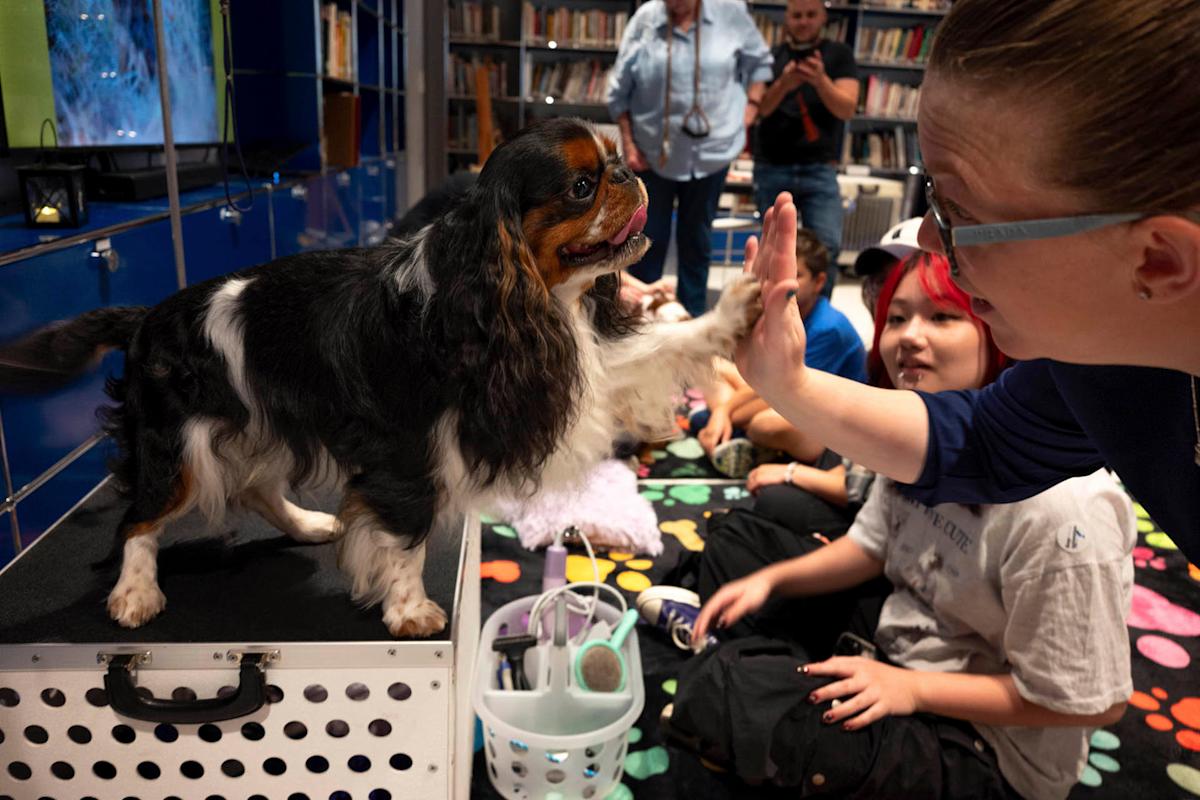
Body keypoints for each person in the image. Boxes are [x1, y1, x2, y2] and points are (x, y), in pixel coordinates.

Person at [734, 0, 1200, 566]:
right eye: (932, 199)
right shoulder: (1101, 359)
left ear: (1158, 262)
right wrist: (791, 385)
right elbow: (983, 441)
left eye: (961, 215)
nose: (929, 238)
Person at [656, 252, 1135, 799]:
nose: (908, 337)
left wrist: (911, 689)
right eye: (898, 317)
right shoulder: (918, 434)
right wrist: (772, 580)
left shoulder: (1065, 510)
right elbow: (873, 544)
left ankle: (751, 670)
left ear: (1002, 333)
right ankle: (757, 665)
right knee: (738, 545)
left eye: (943, 317)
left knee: (740, 693)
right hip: (902, 642)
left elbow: (1095, 701)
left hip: (983, 747)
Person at [606, 0, 773, 318]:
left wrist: (747, 114)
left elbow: (760, 66)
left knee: (697, 240)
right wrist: (628, 143)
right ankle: (639, 318)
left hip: (710, 157)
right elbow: (618, 91)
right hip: (652, 158)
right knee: (644, 242)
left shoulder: (730, 12)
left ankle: (692, 321)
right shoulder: (646, 18)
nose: (675, 4)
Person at [692, 229, 865, 477]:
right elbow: (761, 379)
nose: (783, 282)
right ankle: (731, 433)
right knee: (710, 366)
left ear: (819, 282)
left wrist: (723, 410)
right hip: (781, 395)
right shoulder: (777, 308)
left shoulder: (829, 328)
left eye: (796, 275)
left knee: (765, 424)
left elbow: (782, 391)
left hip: (829, 422)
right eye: (777, 274)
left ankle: (724, 427)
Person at [750, 0, 859, 297]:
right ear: (787, 17)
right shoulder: (770, 57)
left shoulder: (839, 55)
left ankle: (817, 318)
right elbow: (759, 109)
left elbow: (847, 108)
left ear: (823, 17)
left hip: (819, 167)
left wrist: (820, 80)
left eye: (811, 15)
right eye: (797, 15)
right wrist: (785, 83)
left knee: (827, 248)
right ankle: (769, 312)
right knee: (772, 247)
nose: (803, 21)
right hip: (772, 164)